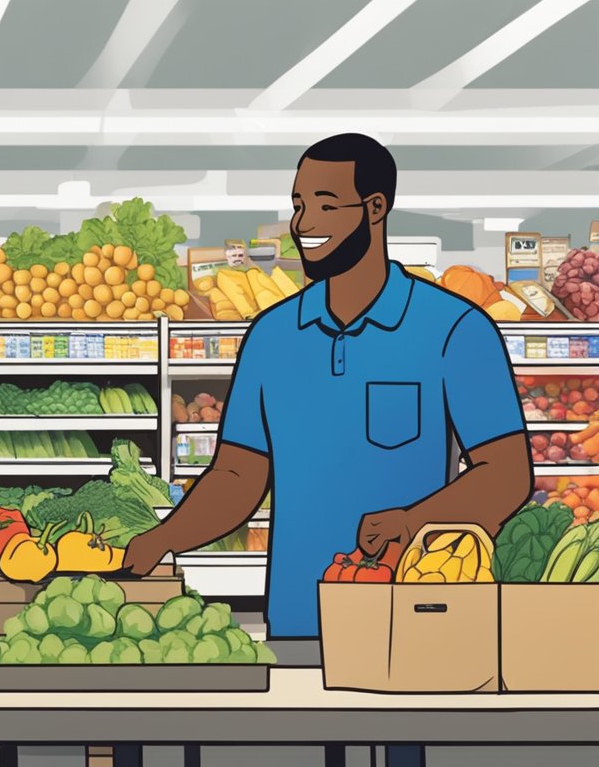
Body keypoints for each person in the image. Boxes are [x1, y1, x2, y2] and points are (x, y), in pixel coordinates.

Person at [124, 134, 532, 767]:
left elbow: (507, 474)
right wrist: (162, 538)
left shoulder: (456, 329)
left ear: (374, 208)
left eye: (324, 205)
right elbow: (237, 473)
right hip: (298, 622)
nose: (302, 224)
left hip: (413, 615)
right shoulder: (271, 337)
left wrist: (412, 521)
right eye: (297, 205)